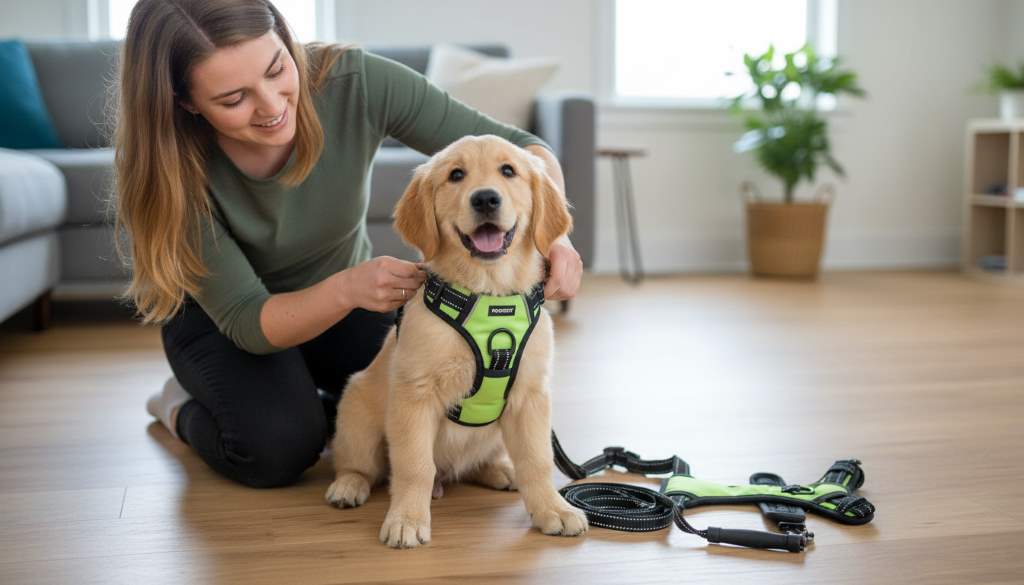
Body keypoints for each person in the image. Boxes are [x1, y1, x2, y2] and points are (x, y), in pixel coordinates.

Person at [113, 0, 583, 488]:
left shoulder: (353, 82)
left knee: (401, 395)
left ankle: (312, 400)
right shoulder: (167, 168)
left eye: (278, 69)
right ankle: (180, 406)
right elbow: (250, 323)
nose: (273, 106)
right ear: (186, 101)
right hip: (229, 323)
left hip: (346, 302)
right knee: (279, 448)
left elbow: (520, 144)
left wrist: (558, 235)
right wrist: (347, 290)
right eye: (234, 99)